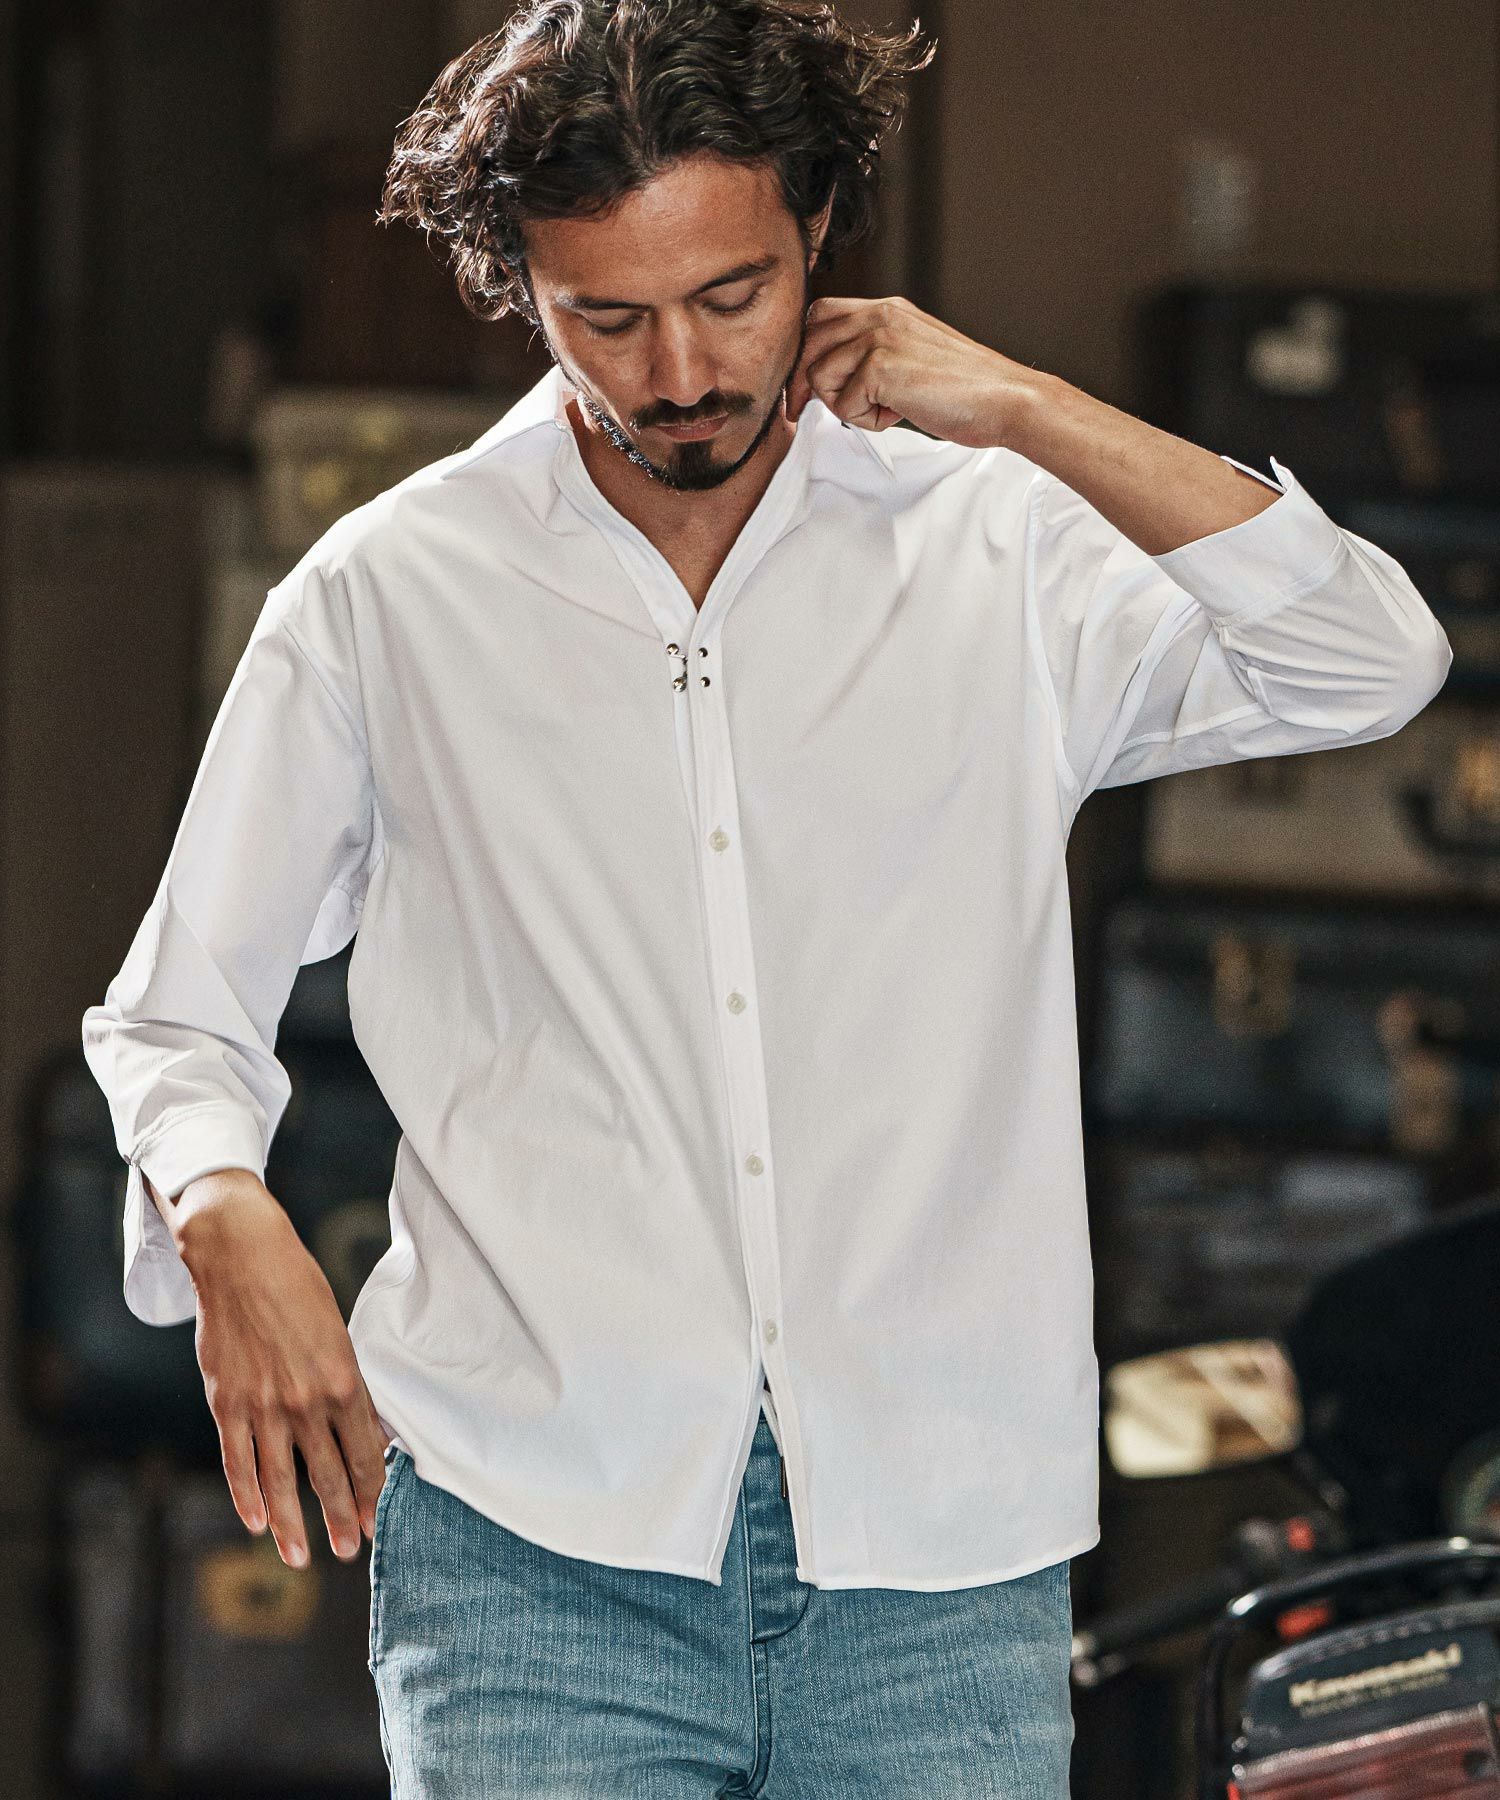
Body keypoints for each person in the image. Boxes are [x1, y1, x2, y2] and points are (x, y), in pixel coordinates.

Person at [80, 0, 1453, 1793]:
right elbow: (175, 1015)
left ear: (817, 229)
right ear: (520, 288)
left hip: (942, 1561)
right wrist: (222, 1212)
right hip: (535, 1552)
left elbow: (1369, 659)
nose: (679, 373)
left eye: (732, 295)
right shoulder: (389, 598)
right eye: (607, 317)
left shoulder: (995, 547)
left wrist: (1025, 406)